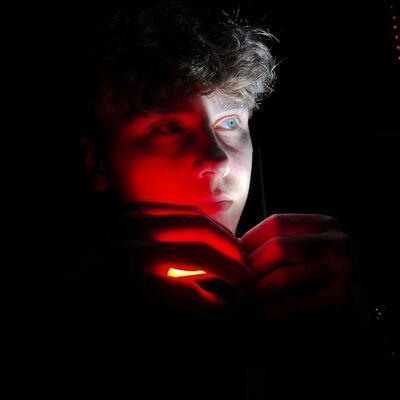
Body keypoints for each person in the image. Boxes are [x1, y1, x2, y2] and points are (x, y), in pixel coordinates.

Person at [5, 1, 382, 398]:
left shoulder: (326, 281)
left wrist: (364, 343)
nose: (217, 159)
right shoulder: (58, 315)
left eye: (229, 122)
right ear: (97, 161)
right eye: (168, 127)